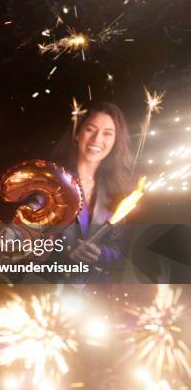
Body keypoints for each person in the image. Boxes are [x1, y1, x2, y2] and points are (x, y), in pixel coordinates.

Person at [50, 101, 134, 282]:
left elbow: (119, 252)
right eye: (90, 129)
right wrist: (65, 256)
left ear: (115, 141)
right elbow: (29, 240)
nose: (97, 140)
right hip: (50, 289)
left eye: (107, 133)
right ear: (77, 133)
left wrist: (100, 254)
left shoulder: (117, 189)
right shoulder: (53, 181)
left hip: (98, 297)